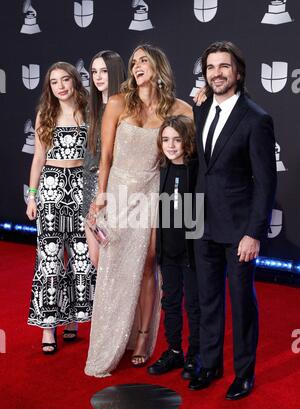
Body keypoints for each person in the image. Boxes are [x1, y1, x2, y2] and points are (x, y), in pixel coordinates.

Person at [85, 44, 193, 377]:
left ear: (159, 66)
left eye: (143, 60)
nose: (136, 66)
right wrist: (101, 197)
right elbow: (105, 158)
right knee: (113, 265)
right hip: (117, 190)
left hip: (151, 192)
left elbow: (189, 149)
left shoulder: (181, 109)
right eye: (133, 62)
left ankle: (144, 336)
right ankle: (110, 339)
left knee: (147, 264)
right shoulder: (117, 103)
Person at [189, 41, 277, 399]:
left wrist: (254, 233)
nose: (217, 73)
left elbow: (267, 182)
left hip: (239, 229)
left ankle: (244, 373)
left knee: (241, 302)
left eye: (224, 66)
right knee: (207, 300)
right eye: (211, 67)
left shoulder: (257, 118)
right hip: (202, 223)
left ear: (238, 72)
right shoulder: (201, 107)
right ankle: (210, 364)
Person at [26, 62, 96, 353]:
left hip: (82, 185)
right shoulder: (46, 113)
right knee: (51, 257)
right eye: (54, 82)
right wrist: (32, 195)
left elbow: (94, 157)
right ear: (50, 88)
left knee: (81, 256)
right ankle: (48, 328)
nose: (61, 86)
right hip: (52, 186)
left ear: (75, 81)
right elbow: (39, 158)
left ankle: (74, 320)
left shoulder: (89, 111)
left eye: (65, 79)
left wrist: (95, 197)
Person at [147, 115, 200, 380]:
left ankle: (196, 354)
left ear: (188, 141)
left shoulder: (197, 170)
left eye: (177, 140)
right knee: (170, 302)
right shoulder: (162, 170)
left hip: (192, 252)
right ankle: (175, 350)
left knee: (193, 304)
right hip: (168, 250)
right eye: (166, 139)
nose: (171, 145)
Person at [82, 50, 126, 267]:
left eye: (104, 71)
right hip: (89, 188)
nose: (98, 77)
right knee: (96, 259)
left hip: (113, 189)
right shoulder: (91, 108)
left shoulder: (127, 108)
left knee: (115, 260)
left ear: (116, 73)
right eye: (94, 72)